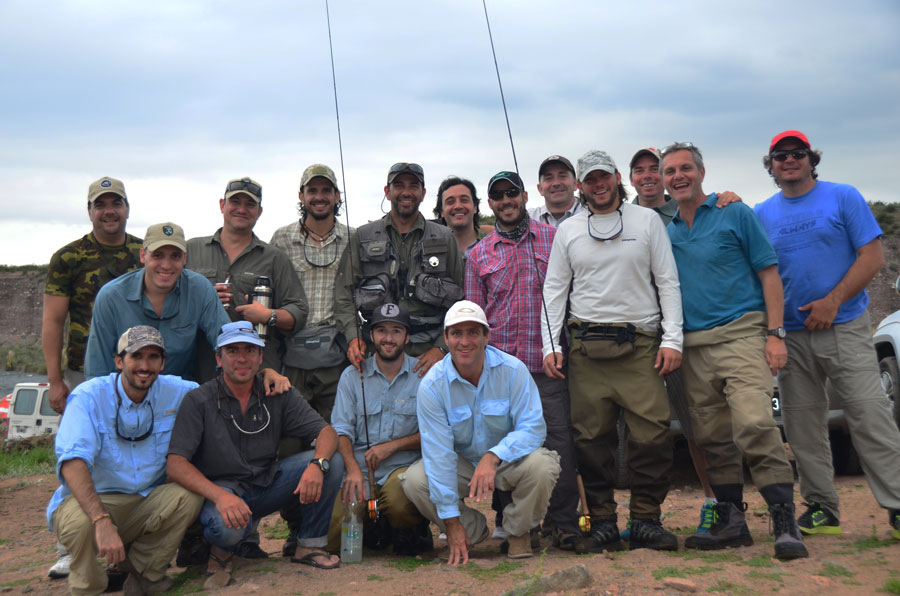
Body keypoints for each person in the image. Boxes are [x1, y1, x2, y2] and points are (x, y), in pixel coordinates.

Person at [663, 142, 808, 560]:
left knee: (754, 423)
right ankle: (731, 520)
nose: (678, 176)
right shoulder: (668, 231)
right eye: (671, 170)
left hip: (742, 335)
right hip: (694, 345)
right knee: (712, 437)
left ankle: (783, 518)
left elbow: (769, 273)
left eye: (685, 168)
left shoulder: (735, 213)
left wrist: (775, 333)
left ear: (702, 172)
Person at [754, 130, 900, 540]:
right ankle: (821, 507)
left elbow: (872, 257)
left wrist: (832, 301)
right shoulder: (763, 213)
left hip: (844, 325)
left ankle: (898, 504)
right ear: (771, 166)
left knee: (869, 415)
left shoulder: (843, 196)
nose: (789, 160)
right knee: (802, 425)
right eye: (780, 156)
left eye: (796, 153)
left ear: (810, 159)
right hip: (791, 336)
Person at [541, 150, 681, 553]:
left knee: (652, 434)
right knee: (591, 439)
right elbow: (555, 291)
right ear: (580, 186)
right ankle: (602, 520)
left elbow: (667, 282)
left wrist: (672, 340)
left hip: (641, 346)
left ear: (617, 177)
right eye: (590, 180)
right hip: (586, 349)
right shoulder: (569, 230)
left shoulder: (647, 221)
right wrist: (552, 346)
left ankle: (646, 520)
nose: (598, 185)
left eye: (604, 177)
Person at [167, 321, 344, 587]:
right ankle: (221, 550)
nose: (242, 358)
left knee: (333, 461)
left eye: (250, 350)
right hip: (221, 491)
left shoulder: (276, 392)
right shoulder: (199, 399)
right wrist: (220, 496)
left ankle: (308, 545)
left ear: (260, 357)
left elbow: (327, 433)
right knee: (225, 528)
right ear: (218, 358)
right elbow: (175, 464)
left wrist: (317, 466)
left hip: (266, 483)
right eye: (232, 351)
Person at [465, 171, 580, 550]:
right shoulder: (477, 255)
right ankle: (509, 522)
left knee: (558, 442)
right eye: (497, 195)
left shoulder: (554, 238)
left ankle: (563, 522)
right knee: (502, 443)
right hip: (500, 372)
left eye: (511, 192)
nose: (505, 200)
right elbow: (473, 318)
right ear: (491, 203)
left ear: (524, 195)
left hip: (547, 365)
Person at [46, 326, 203, 595]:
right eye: (136, 356)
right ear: (119, 361)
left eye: (153, 357)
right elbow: (73, 462)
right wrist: (101, 520)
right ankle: (89, 587)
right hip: (93, 501)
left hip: (146, 500)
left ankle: (143, 576)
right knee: (81, 525)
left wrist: (266, 375)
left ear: (163, 363)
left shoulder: (179, 391)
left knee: (188, 496)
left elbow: (225, 390)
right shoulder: (88, 397)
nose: (144, 365)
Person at [402, 300, 560, 564]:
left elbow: (533, 428)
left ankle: (518, 532)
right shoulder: (432, 385)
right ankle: (469, 530)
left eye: (473, 332)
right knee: (415, 480)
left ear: (487, 336)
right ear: (446, 338)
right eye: (456, 333)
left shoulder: (513, 371)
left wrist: (493, 455)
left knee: (543, 465)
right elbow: (438, 454)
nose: (465, 342)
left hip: (508, 461)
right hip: (462, 464)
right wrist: (450, 522)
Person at [41, 176, 142, 580]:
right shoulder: (68, 257)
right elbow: (53, 320)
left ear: (127, 208)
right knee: (78, 453)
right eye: (101, 205)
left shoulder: (143, 253)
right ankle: (70, 543)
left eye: (116, 203)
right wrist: (54, 380)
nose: (109, 211)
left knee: (131, 452)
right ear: (90, 211)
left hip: (136, 372)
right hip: (84, 371)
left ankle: (131, 536)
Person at [334, 162, 465, 378]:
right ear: (387, 191)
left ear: (423, 193)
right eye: (399, 186)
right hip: (376, 349)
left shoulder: (444, 237)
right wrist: (352, 336)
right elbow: (343, 295)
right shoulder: (362, 236)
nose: (406, 192)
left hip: (430, 352)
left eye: (413, 186)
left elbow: (461, 298)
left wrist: (441, 348)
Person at [328, 303, 431, 555]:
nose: (388, 338)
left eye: (396, 331)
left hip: (403, 468)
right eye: (381, 331)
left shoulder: (424, 376)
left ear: (407, 337)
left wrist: (392, 447)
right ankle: (375, 528)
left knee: (398, 504)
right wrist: (352, 469)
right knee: (334, 538)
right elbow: (340, 429)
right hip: (360, 471)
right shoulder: (352, 376)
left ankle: (408, 528)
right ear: (371, 336)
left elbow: (434, 433)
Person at [84, 222, 230, 381]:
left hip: (179, 395)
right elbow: (97, 368)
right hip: (125, 394)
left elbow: (227, 340)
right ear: (142, 255)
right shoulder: (111, 297)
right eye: (157, 255)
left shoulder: (200, 289)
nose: (166, 265)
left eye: (175, 256)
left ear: (185, 258)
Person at [270, 164, 352, 423]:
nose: (319, 196)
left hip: (335, 355)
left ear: (337, 196)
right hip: (292, 353)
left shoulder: (354, 238)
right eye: (312, 190)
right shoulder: (281, 238)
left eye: (326, 190)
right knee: (291, 432)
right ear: (301, 196)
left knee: (338, 427)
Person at [432, 176, 488, 259]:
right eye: (450, 202)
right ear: (441, 211)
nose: (458, 206)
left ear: (475, 207)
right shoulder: (430, 248)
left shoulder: (494, 243)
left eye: (464, 200)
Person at [528, 155, 584, 227]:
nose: (556, 183)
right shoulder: (528, 219)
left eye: (562, 176)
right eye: (549, 178)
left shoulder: (592, 214)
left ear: (575, 184)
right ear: (540, 189)